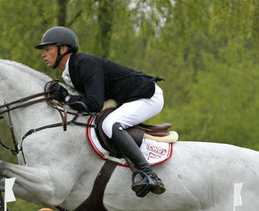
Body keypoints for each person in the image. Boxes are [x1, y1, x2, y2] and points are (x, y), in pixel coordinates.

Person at [35, 26, 166, 197]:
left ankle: (148, 173)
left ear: (63, 49)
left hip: (148, 96)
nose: (43, 54)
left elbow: (95, 104)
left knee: (110, 124)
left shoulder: (84, 64)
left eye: (47, 49)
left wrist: (66, 98)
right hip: (129, 99)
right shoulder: (70, 71)